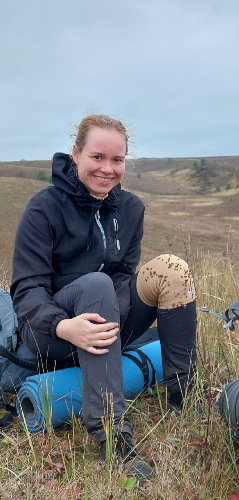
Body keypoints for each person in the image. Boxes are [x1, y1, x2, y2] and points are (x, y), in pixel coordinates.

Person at [11, 114, 197, 482]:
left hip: (104, 321)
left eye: (117, 160)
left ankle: (181, 397)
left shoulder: (130, 209)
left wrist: (125, 307)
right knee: (96, 285)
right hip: (51, 332)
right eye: (97, 157)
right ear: (76, 153)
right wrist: (65, 326)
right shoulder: (42, 209)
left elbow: (124, 276)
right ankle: (111, 434)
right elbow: (26, 289)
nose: (107, 169)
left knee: (172, 267)